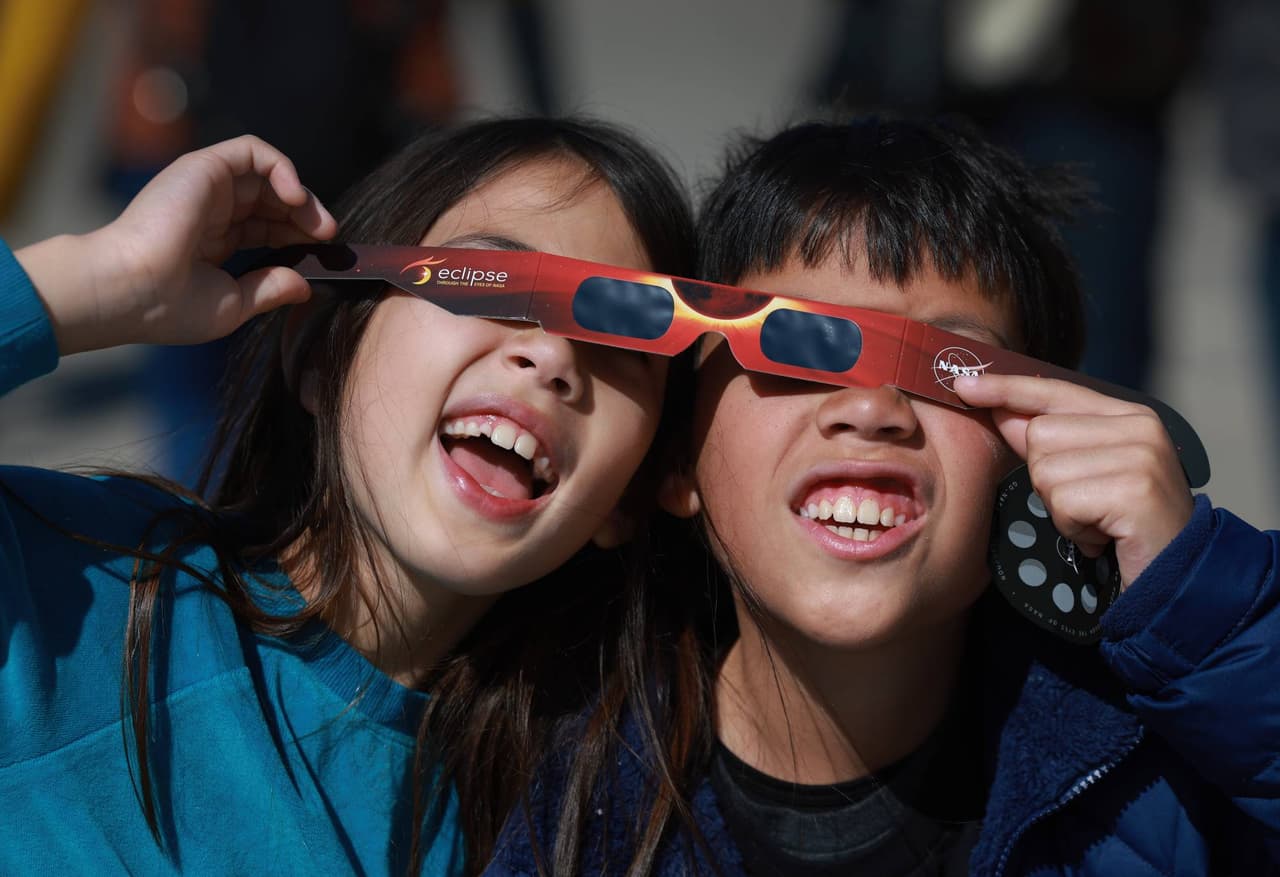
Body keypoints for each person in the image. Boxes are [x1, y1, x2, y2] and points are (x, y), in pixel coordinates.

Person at [484, 116, 1280, 875]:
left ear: (1036, 457)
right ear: (677, 464)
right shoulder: (533, 782)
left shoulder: (1163, 777)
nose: (870, 408)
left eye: (948, 367)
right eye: (792, 342)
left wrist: (1199, 614)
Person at [0, 116, 695, 875]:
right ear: (319, 354)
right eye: (487, 281)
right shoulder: (68, 594)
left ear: (630, 497)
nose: (553, 354)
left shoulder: (564, 831)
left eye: (625, 340)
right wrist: (98, 280)